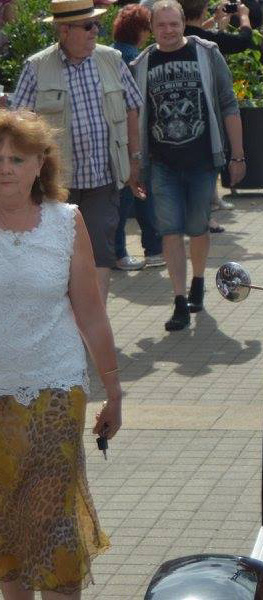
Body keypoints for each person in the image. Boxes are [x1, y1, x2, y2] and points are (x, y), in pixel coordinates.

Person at [0, 109, 122, 597]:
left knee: (50, 513)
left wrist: (113, 391)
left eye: (15, 158)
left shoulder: (65, 223)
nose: (4, 168)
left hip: (56, 386)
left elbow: (91, 313)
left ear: (38, 165)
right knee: (6, 511)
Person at [10, 0, 143, 302]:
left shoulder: (111, 59)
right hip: (57, 186)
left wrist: (134, 159)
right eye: (88, 26)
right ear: (64, 30)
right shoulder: (37, 67)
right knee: (61, 259)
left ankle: (93, 330)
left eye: (97, 23)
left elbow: (132, 108)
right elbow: (20, 126)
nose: (96, 31)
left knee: (99, 255)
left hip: (102, 180)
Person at [130, 0, 245, 332]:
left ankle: (198, 281)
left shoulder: (207, 53)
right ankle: (179, 300)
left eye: (174, 24)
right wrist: (136, 163)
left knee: (197, 227)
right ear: (152, 28)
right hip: (162, 163)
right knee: (170, 230)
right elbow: (133, 116)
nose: (168, 31)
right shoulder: (141, 64)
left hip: (201, 160)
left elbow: (228, 102)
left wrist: (237, 155)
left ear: (184, 24)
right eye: (161, 25)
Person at [110, 4, 163, 272]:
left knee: (132, 194)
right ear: (141, 30)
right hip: (134, 137)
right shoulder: (135, 60)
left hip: (116, 137)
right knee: (136, 194)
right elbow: (138, 105)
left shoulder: (109, 54)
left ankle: (149, 249)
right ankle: (144, 249)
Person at [176, 0, 255, 55]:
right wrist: (244, 15)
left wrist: (215, 19)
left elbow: (194, 31)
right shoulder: (211, 40)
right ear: (203, 10)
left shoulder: (172, 34)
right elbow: (244, 40)